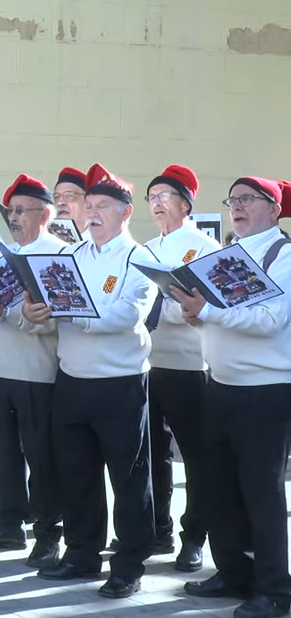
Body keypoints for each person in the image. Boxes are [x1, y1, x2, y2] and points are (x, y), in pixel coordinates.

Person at [26, 163, 157, 600]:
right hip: (72, 378)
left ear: (125, 212)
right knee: (76, 473)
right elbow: (47, 306)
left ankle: (129, 562)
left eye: (103, 206)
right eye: (88, 205)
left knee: (128, 476)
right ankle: (82, 554)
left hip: (119, 382)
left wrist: (74, 311)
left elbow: (128, 314)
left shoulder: (141, 259)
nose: (93, 213)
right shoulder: (72, 255)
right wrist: (35, 313)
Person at [178, 176, 291, 618]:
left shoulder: (283, 256)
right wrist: (198, 315)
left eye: (248, 199)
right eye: (232, 201)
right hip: (220, 383)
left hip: (265, 389)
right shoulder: (227, 254)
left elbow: (269, 320)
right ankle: (232, 572)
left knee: (262, 494)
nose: (237, 207)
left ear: (274, 209)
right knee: (220, 488)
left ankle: (275, 590)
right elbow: (225, 317)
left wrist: (206, 311)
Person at [0, 174, 66, 569]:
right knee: (3, 453)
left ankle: (48, 532)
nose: (15, 217)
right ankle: (8, 523)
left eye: (22, 210)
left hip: (37, 371)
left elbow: (55, 319)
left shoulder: (57, 255)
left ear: (46, 214)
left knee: (41, 456)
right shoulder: (4, 253)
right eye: (11, 211)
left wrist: (5, 314)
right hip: (1, 365)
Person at [142, 164, 219, 571]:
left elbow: (202, 307)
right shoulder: (148, 248)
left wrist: (167, 304)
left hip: (190, 365)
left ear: (185, 204)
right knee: (152, 453)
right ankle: (159, 528)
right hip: (148, 362)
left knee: (195, 455)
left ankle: (195, 537)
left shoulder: (204, 247)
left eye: (163, 197)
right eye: (151, 198)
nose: (155, 205)